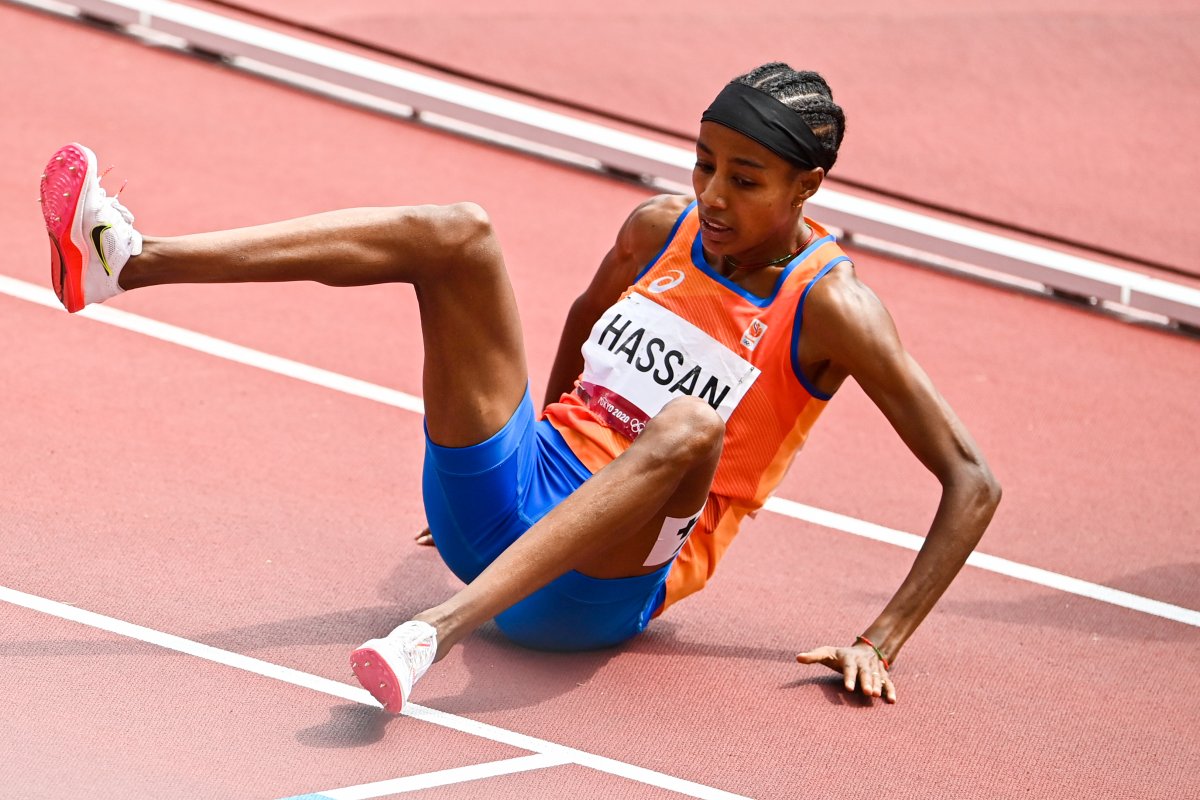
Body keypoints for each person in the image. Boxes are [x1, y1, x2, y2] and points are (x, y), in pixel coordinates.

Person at [39, 63, 1000, 712]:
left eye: (745, 180)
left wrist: (884, 636)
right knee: (459, 230)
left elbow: (972, 480)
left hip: (592, 595)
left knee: (689, 427)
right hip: (499, 511)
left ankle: (429, 634)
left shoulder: (832, 309)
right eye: (704, 163)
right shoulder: (657, 230)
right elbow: (581, 329)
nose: (711, 195)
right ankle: (130, 258)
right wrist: (515, 454)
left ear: (809, 188)